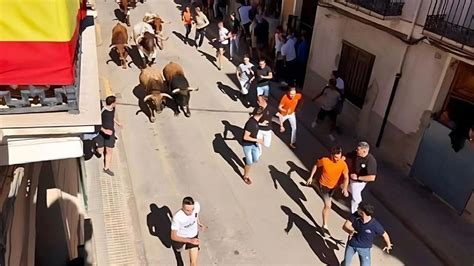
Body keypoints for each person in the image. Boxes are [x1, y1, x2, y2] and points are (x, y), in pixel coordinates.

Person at [306, 146, 349, 234]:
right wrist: (310, 177)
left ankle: (314, 183)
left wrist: (345, 188)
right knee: (328, 205)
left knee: (330, 197)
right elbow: (316, 165)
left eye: (339, 157)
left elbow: (346, 177)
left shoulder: (343, 164)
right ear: (332, 155)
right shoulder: (325, 160)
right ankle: (324, 225)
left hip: (333, 187)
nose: (338, 159)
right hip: (324, 186)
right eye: (336, 157)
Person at [171, 196, 206, 266]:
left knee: (193, 263)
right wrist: (189, 240)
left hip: (193, 236)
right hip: (181, 237)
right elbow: (173, 236)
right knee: (178, 249)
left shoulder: (196, 206)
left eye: (192, 209)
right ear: (182, 207)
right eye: (187, 210)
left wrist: (199, 223)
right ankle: (177, 253)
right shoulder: (177, 217)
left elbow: (196, 214)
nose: (190, 213)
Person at [345, 142, 377, 213]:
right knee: (355, 197)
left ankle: (354, 214)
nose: (356, 150)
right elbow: (347, 156)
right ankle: (354, 213)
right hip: (352, 180)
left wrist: (358, 177)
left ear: (364, 151)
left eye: (358, 149)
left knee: (354, 195)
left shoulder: (370, 161)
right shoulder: (355, 153)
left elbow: (372, 177)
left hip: (359, 182)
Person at [95, 95, 123, 176]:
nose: (116, 103)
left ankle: (106, 168)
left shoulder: (113, 109)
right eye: (115, 102)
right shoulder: (103, 111)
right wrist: (104, 130)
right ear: (112, 103)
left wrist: (117, 123)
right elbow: (98, 123)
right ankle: (95, 149)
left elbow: (112, 117)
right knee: (100, 151)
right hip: (101, 133)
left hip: (110, 134)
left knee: (109, 151)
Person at [242, 106, 265, 185]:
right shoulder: (251, 123)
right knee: (249, 163)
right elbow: (245, 137)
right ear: (261, 115)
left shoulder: (256, 121)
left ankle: (247, 159)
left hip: (254, 144)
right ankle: (246, 176)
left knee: (256, 159)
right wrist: (257, 140)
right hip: (247, 145)